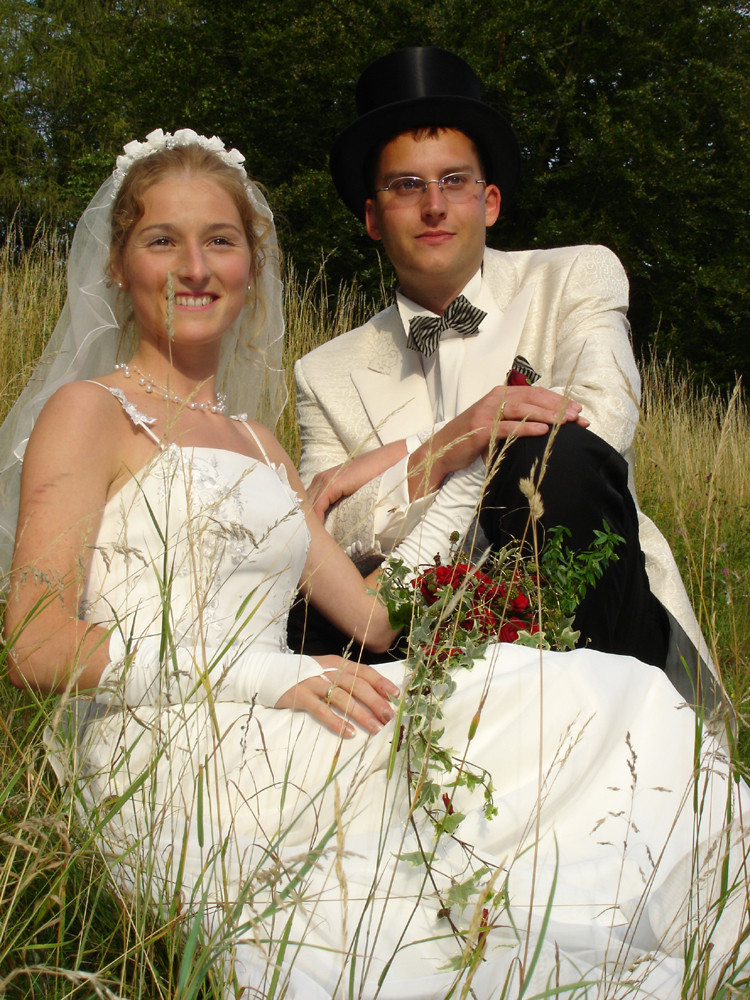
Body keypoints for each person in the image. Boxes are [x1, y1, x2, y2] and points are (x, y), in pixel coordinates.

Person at [1, 130, 748, 999]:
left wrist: (455, 453)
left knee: (583, 694)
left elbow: (374, 619)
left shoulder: (261, 444)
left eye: (221, 240)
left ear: (252, 266)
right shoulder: (90, 412)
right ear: (117, 265)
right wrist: (255, 677)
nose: (194, 267)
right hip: (176, 742)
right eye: (162, 239)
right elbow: (32, 643)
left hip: (299, 709)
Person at [293, 46, 721, 711]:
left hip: (591, 603)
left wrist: (424, 452)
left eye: (454, 181)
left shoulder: (577, 275)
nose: (434, 205)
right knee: (294, 595)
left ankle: (604, 734)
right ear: (374, 217)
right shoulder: (324, 372)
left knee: (557, 453)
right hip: (417, 629)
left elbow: (599, 424)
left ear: (489, 202)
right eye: (407, 185)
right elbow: (326, 527)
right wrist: (445, 445)